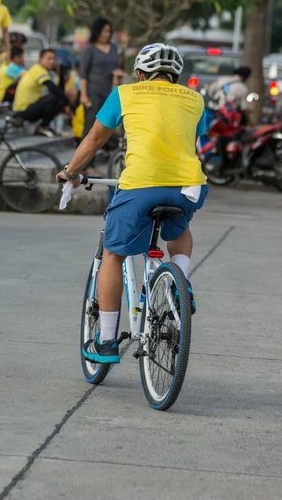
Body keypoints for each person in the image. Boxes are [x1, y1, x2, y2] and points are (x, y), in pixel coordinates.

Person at [57, 43, 208, 364]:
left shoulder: (126, 93)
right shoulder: (196, 99)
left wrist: (71, 172)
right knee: (179, 228)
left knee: (113, 253)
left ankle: (108, 340)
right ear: (176, 76)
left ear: (141, 74)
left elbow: (95, 138)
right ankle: (180, 285)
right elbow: (193, 142)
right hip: (189, 186)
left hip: (142, 183)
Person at [80, 18, 125, 173]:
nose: (107, 34)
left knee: (106, 128)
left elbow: (115, 67)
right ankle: (86, 166)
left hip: (109, 91)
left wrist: (117, 75)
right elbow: (83, 74)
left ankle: (92, 163)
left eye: (109, 31)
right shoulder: (90, 49)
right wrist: (84, 95)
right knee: (90, 129)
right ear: (97, 32)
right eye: (104, 31)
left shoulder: (112, 47)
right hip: (93, 92)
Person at [11, 48, 70, 137]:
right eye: (49, 59)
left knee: (57, 98)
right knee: (54, 97)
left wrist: (61, 74)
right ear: (40, 59)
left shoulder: (41, 70)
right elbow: (54, 90)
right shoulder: (38, 70)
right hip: (23, 110)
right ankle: (42, 127)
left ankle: (43, 127)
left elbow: (59, 91)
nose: (52, 62)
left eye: (54, 59)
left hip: (30, 108)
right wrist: (67, 104)